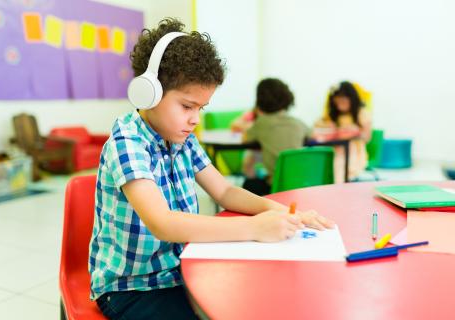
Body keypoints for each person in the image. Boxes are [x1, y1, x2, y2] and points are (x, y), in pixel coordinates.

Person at [88, 18, 334, 320]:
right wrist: (254, 228)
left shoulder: (182, 139)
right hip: (132, 288)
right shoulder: (127, 143)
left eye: (200, 109)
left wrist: (283, 213)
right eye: (187, 106)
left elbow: (226, 191)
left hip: (181, 271)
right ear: (148, 93)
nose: (195, 119)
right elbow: (162, 223)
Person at [242, 78, 311, 195]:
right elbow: (312, 134)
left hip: (275, 186)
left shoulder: (261, 123)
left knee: (249, 183)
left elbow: (245, 140)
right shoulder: (298, 123)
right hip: (301, 184)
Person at [314, 81, 372, 183]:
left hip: (355, 153)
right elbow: (318, 125)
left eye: (343, 102)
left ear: (351, 99)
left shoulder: (361, 113)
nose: (339, 106)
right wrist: (329, 127)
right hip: (335, 150)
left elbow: (367, 137)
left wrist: (356, 132)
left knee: (340, 161)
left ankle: (339, 185)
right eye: (337, 103)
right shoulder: (334, 116)